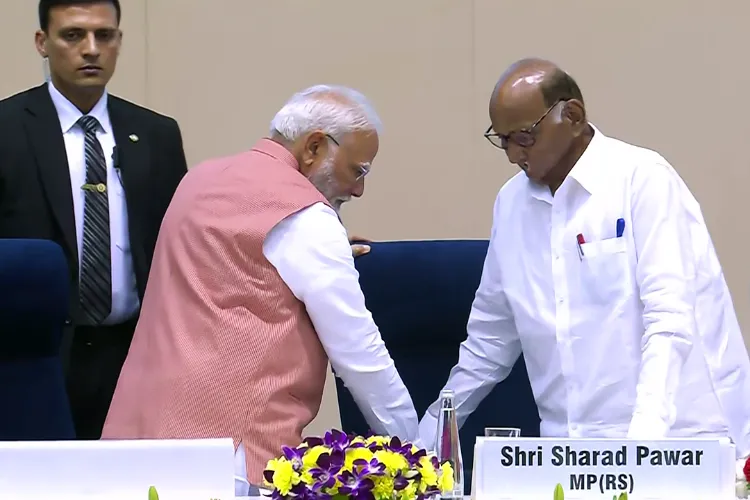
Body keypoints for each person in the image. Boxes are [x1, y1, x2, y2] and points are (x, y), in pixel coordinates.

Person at [418, 58, 750, 458]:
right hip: (568, 451)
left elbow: (669, 321)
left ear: (571, 115)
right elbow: (488, 343)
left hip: (675, 441)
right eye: (501, 139)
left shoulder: (642, 178)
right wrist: (423, 447)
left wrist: (640, 448)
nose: (511, 154)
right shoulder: (511, 204)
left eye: (523, 136)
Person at [101, 85, 419, 486]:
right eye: (358, 170)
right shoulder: (308, 219)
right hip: (229, 458)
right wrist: (416, 453)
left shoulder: (197, 180)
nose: (358, 189)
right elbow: (360, 354)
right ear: (314, 147)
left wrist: (327, 251)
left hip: (132, 441)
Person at [0, 0, 189, 439]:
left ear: (119, 42)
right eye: (73, 35)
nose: (91, 49)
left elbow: (188, 238)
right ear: (42, 43)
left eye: (104, 36)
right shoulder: (7, 129)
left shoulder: (155, 134)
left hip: (133, 354)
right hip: (32, 358)